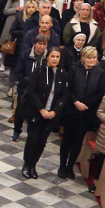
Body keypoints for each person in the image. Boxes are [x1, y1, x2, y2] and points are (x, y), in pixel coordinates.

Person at [59, 46, 105, 179]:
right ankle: (62, 166)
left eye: (94, 58)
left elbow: (101, 92)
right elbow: (68, 87)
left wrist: (86, 104)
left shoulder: (100, 72)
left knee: (78, 141)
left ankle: (70, 167)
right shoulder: (75, 69)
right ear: (83, 58)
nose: (92, 60)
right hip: (71, 110)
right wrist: (76, 102)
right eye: (89, 58)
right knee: (67, 139)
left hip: (87, 112)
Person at [21, 47, 67, 178]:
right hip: (36, 112)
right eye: (52, 56)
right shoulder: (39, 71)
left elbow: (64, 95)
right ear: (48, 57)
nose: (55, 59)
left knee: (42, 141)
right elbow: (32, 91)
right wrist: (41, 109)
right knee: (32, 140)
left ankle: (33, 165)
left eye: (57, 57)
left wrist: (55, 111)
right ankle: (26, 164)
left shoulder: (63, 73)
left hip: (51, 115)